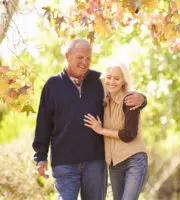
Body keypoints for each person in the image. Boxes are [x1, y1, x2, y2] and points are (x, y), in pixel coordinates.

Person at [32, 38, 146, 200]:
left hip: (95, 162)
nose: (85, 63)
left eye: (88, 58)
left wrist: (142, 98)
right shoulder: (53, 85)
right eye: (80, 58)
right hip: (64, 162)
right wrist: (40, 156)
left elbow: (121, 90)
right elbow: (43, 123)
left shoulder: (100, 82)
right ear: (68, 56)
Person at [83, 63, 148, 200]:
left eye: (117, 79)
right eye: (109, 77)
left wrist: (101, 130)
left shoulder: (130, 100)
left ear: (123, 81)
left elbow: (129, 134)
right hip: (114, 163)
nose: (111, 82)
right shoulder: (104, 102)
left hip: (134, 160)